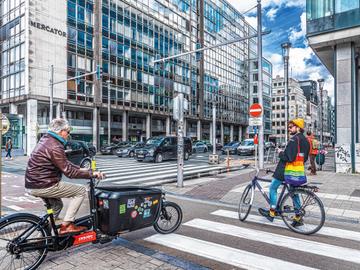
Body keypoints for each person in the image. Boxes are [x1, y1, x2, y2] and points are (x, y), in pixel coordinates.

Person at [25, 118, 105, 234]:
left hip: (34, 184)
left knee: (57, 205)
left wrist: (84, 169)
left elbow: (65, 164)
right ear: (61, 131)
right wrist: (92, 174)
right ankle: (67, 225)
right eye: (68, 131)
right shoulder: (55, 145)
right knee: (81, 190)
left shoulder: (47, 140)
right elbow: (69, 172)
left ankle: (43, 235)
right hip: (44, 184)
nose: (68, 134)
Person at [259, 118, 310, 225]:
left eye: (291, 127)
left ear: (298, 128)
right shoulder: (305, 141)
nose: (289, 129)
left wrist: (280, 152)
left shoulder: (293, 140)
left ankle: (272, 212)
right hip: (297, 170)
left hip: (285, 169)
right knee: (293, 192)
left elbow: (289, 157)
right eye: (289, 127)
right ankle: (298, 217)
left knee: (273, 188)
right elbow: (304, 158)